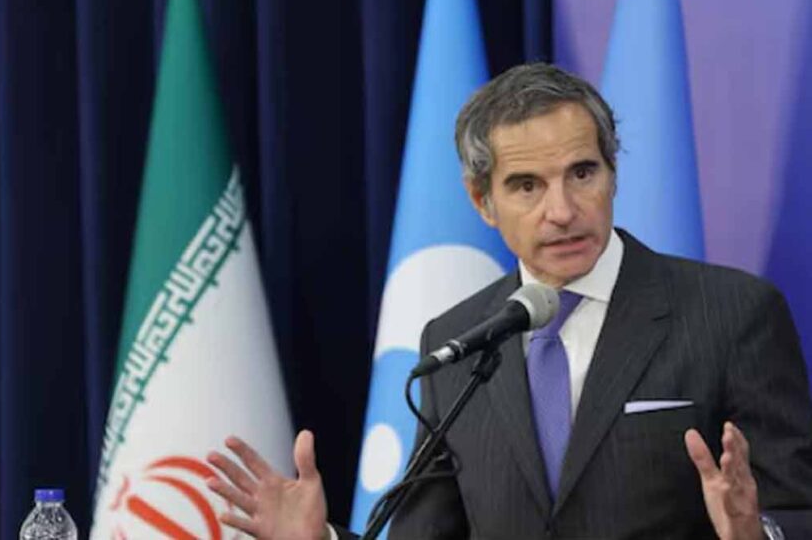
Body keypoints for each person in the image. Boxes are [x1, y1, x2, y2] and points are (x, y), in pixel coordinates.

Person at [205, 64, 812, 539]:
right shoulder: (460, 340)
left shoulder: (732, 314)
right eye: (527, 185)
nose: (563, 210)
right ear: (481, 200)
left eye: (582, 173)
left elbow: (798, 508)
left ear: (612, 173)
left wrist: (756, 533)